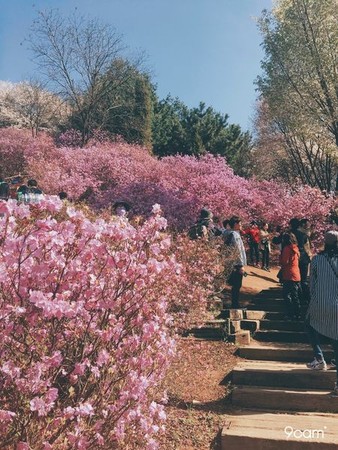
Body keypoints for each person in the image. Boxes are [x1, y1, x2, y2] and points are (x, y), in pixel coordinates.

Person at [305, 231, 338, 397]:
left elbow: (312, 285)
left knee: (309, 324)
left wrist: (314, 301)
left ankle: (319, 358)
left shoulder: (317, 259)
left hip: (321, 304)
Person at [226, 215, 247, 309]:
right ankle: (235, 304)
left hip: (235, 263)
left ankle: (235, 303)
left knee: (236, 284)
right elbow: (237, 250)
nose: (241, 225)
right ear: (235, 224)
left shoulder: (231, 233)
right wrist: (240, 265)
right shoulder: (234, 235)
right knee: (237, 284)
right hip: (237, 264)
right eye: (240, 223)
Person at [289, 218, 311, 305]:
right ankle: (305, 298)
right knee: (304, 279)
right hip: (303, 258)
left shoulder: (288, 235)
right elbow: (307, 248)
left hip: (292, 259)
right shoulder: (303, 235)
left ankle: (295, 297)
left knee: (293, 280)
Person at [280, 233, 301, 320]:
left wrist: (280, 258)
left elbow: (285, 261)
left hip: (288, 274)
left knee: (287, 295)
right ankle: (298, 313)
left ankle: (289, 313)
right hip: (296, 274)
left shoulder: (287, 249)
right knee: (295, 295)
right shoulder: (296, 248)